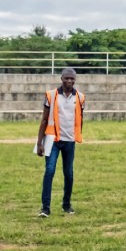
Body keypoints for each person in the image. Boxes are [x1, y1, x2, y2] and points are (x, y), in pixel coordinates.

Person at [36, 67, 86, 217]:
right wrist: (39, 142)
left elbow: (80, 118)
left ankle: (66, 204)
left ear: (75, 80)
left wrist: (77, 135)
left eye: (72, 79)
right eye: (66, 78)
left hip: (69, 140)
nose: (69, 81)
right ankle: (45, 207)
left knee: (68, 173)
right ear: (61, 79)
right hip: (52, 139)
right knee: (49, 171)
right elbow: (44, 119)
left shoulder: (80, 97)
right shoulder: (51, 95)